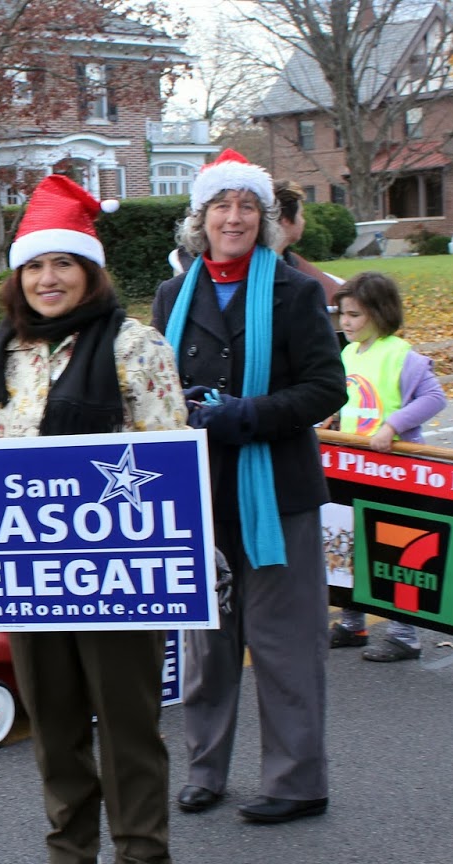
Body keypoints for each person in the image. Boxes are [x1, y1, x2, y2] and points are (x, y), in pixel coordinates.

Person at [0, 176, 185, 864]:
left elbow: (169, 468)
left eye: (64, 264)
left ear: (91, 271)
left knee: (127, 726)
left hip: (118, 573)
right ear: (18, 275)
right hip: (28, 575)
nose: (48, 279)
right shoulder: (2, 353)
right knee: (52, 722)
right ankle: (72, 863)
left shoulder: (135, 347)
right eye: (35, 266)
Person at [152, 149, 346, 825]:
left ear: (263, 220)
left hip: (278, 492)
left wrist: (247, 413)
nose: (233, 217)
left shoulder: (294, 291)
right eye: (220, 205)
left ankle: (298, 780)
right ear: (199, 219)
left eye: (246, 206)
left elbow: (328, 387)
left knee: (284, 640)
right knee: (206, 643)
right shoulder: (173, 296)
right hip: (199, 490)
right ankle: (206, 768)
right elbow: (151, 387)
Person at [326, 271, 448, 662]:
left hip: (391, 469)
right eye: (342, 314)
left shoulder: (401, 355)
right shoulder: (347, 353)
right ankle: (352, 623)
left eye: (354, 315)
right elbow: (347, 400)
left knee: (391, 549)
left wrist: (394, 426)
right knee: (344, 543)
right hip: (350, 464)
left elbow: (434, 397)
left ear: (380, 314)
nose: (345, 322)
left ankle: (403, 634)